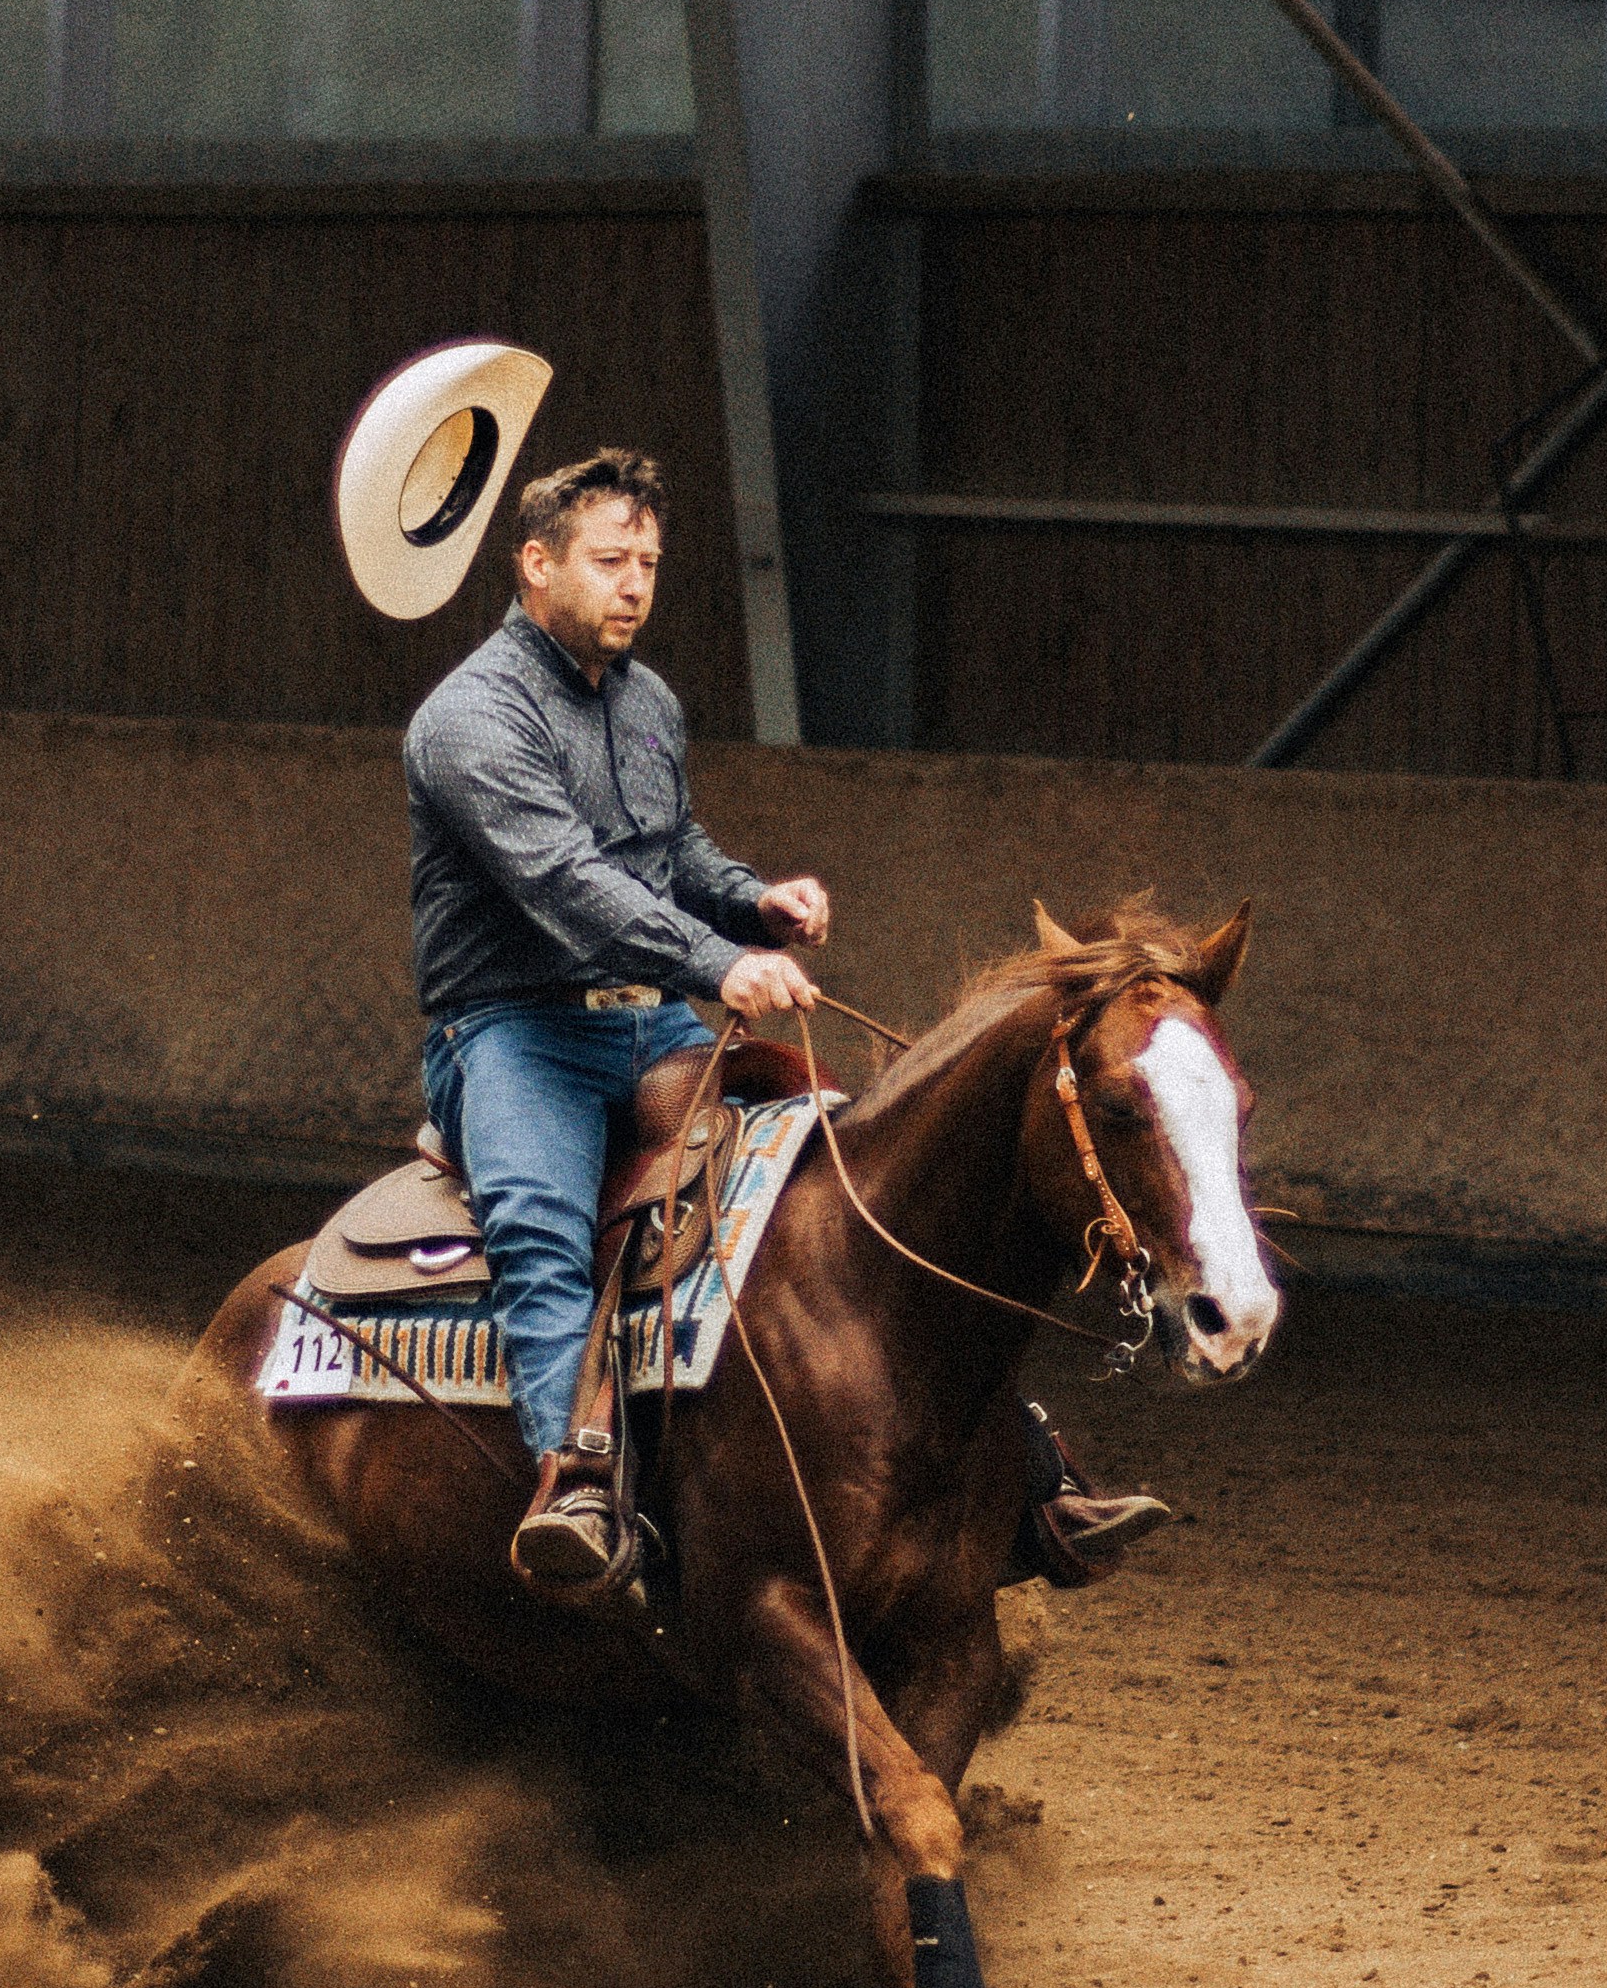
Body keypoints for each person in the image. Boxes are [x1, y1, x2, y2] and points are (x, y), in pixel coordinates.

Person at [404, 446, 1169, 1607]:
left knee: (838, 1199)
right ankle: (579, 1480)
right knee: (544, 1231)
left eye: (648, 562)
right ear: (535, 561)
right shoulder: (465, 720)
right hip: (513, 1033)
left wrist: (753, 896)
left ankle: (1029, 1466)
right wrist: (723, 961)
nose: (633, 583)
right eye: (609, 560)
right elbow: (562, 880)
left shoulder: (649, 701)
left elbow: (670, 854)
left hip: (650, 1020)